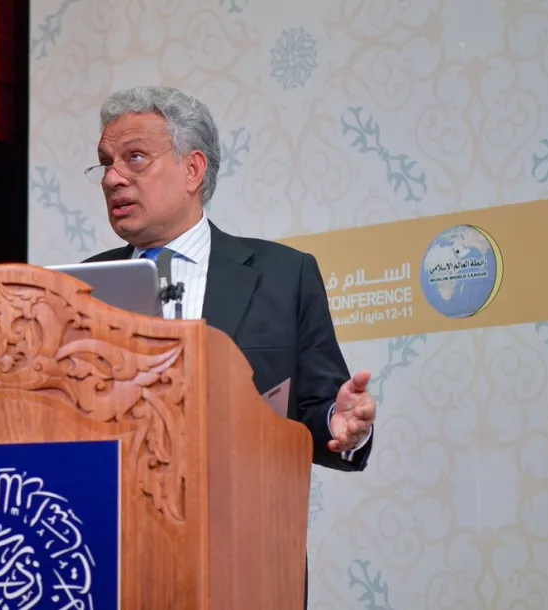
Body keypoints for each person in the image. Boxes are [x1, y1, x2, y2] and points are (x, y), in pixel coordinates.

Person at [82, 86, 377, 607]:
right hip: (108, 549)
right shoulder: (80, 285)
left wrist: (338, 423)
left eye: (134, 158)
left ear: (192, 170)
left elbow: (313, 409)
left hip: (243, 557)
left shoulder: (284, 276)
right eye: (105, 163)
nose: (112, 178)